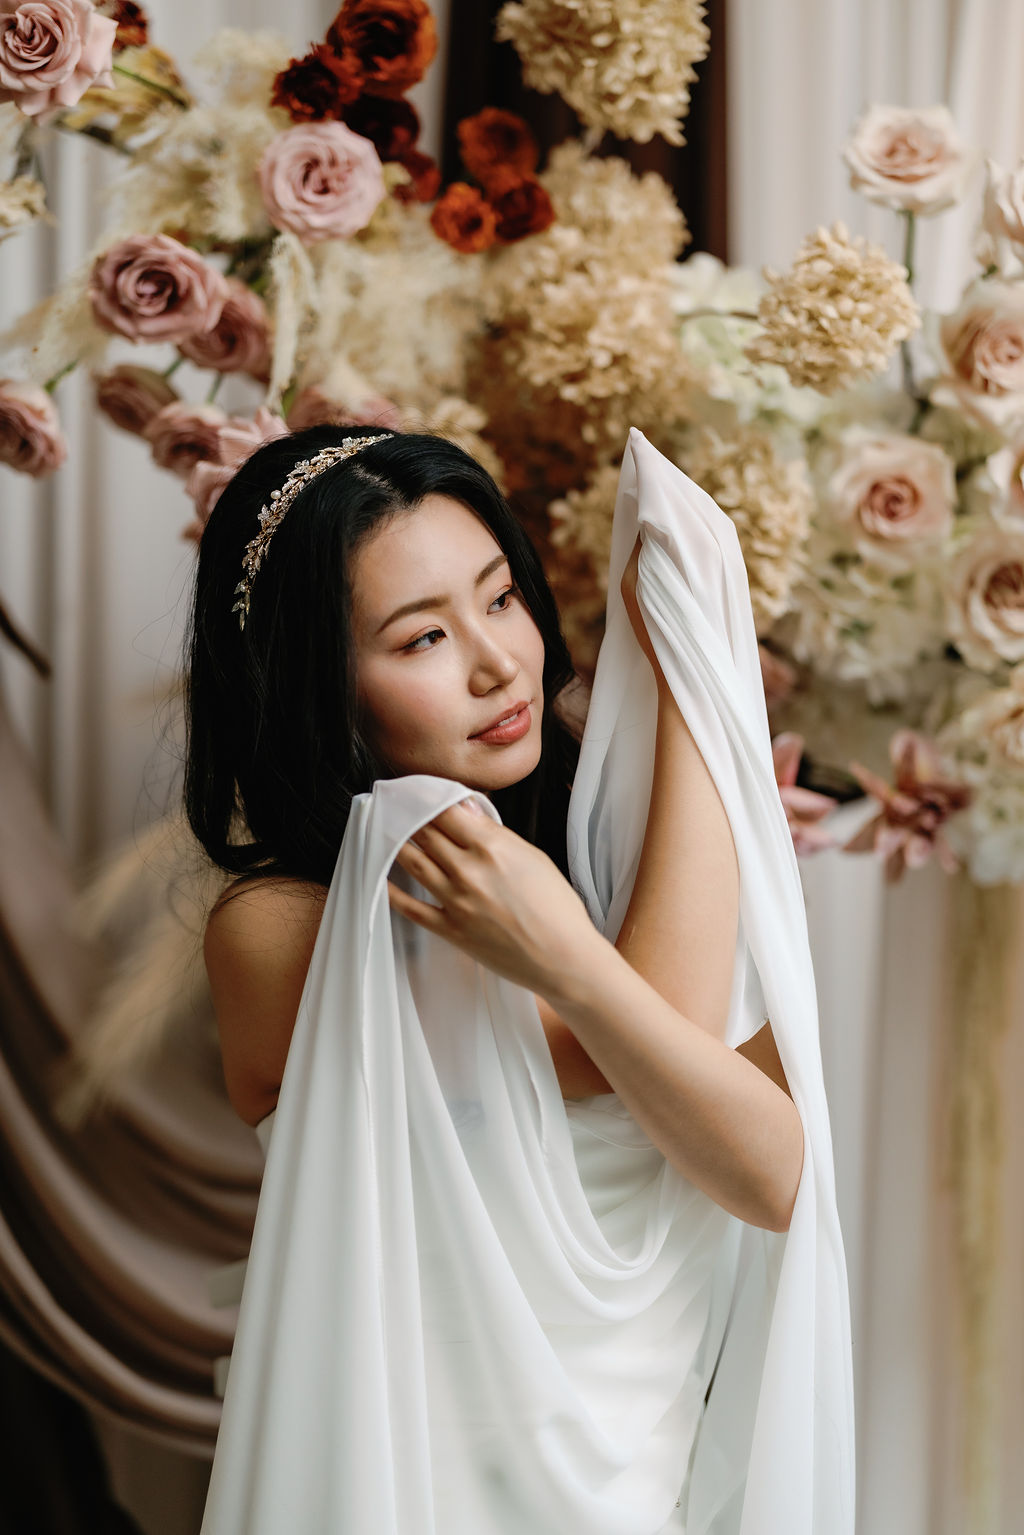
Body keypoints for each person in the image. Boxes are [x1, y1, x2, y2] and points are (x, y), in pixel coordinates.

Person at [185, 426, 853, 1534]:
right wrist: (690, 659)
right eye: (424, 636)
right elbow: (637, 1041)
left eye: (501, 598)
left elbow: (775, 1171)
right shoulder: (282, 927)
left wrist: (687, 653)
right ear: (316, 685)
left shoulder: (603, 876)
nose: (498, 661)